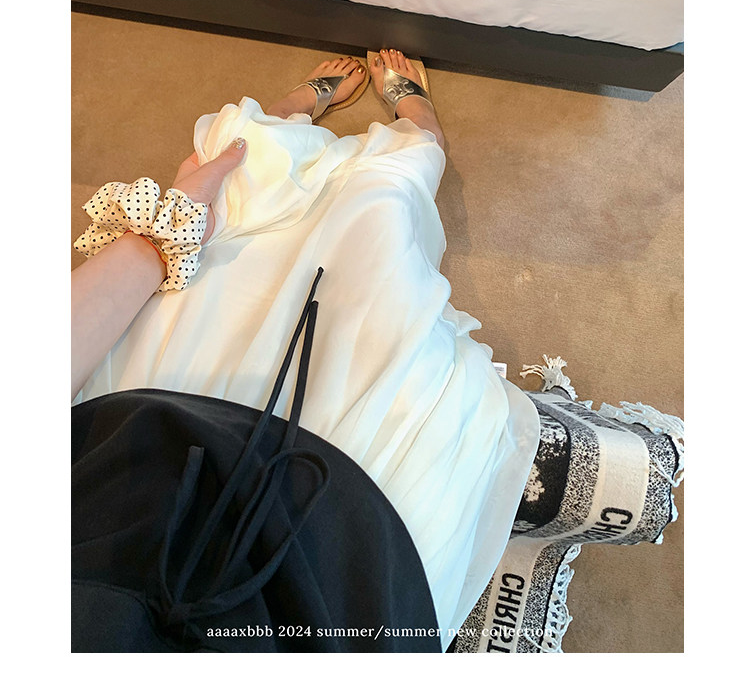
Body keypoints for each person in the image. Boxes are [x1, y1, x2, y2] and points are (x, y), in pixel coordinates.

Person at [71, 49, 539, 653]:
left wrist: (167, 231)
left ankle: (296, 110)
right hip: (332, 555)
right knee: (379, 223)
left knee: (235, 180)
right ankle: (417, 131)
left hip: (134, 457)